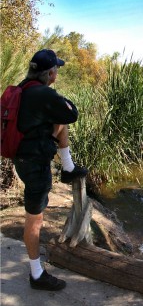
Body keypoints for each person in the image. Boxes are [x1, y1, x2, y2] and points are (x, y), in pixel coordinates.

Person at [13, 49, 88, 291]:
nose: (57, 73)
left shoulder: (23, 88)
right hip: (34, 163)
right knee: (34, 220)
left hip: (22, 157)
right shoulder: (42, 93)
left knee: (59, 122)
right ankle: (36, 275)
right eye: (56, 69)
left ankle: (68, 168)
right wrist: (56, 94)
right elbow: (72, 112)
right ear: (50, 72)